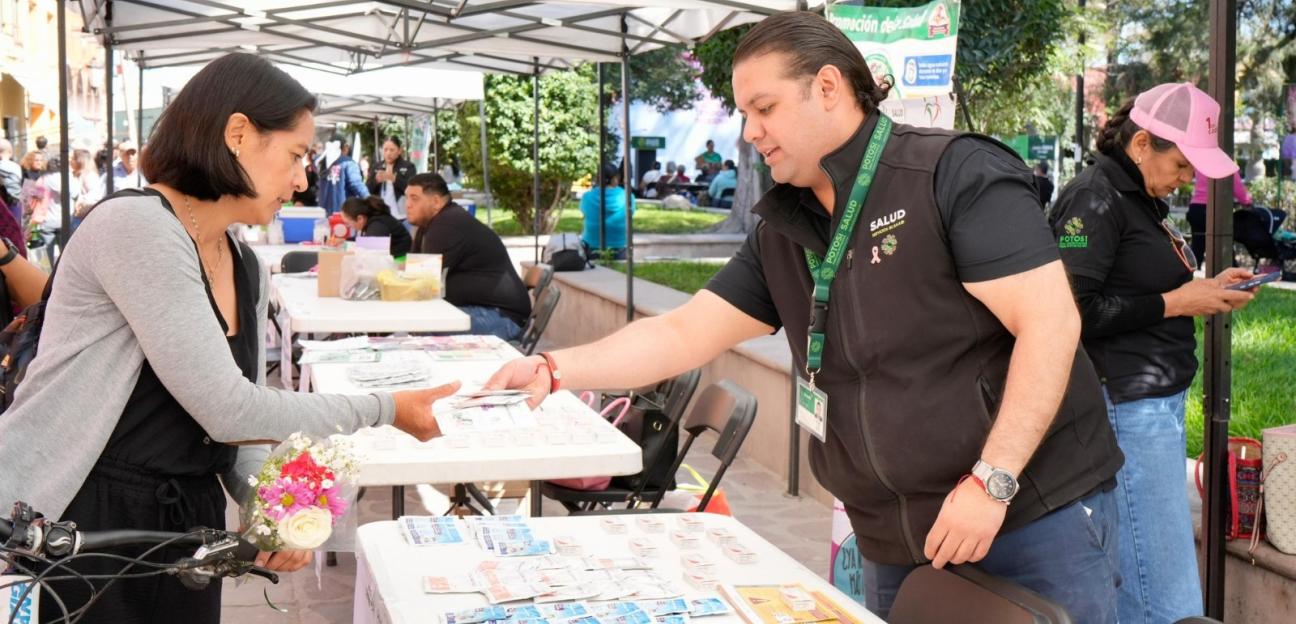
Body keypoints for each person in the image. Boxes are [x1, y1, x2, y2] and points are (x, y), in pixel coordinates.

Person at [486, 13, 1123, 622]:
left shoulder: (952, 172)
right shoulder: (783, 230)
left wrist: (993, 483)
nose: (752, 132)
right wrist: (554, 366)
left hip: (1029, 514)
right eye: (744, 114)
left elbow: (1051, 325)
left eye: (765, 108)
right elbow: (682, 331)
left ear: (828, 87)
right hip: (894, 537)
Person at [0, 53, 458, 624]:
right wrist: (387, 408)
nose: (301, 178)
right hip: (81, 520)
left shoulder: (244, 262)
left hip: (185, 520)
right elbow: (228, 409)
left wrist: (269, 508)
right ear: (238, 134)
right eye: (295, 155)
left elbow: (233, 431)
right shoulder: (137, 227)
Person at [1049, 83, 1258, 624]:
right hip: (1125, 403)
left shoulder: (1139, 198)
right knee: (1161, 584)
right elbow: (1071, 313)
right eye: (1183, 165)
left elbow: (1136, 285)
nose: (1188, 179)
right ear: (1142, 143)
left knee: (1146, 569)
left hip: (1151, 402)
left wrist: (1203, 288)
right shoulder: (1094, 198)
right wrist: (1175, 301)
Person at [406, 173, 531, 341]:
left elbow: (421, 283)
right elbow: (413, 275)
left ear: (436, 201)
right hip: (485, 310)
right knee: (421, 320)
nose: (407, 205)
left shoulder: (447, 224)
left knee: (424, 325)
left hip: (501, 317)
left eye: (415, 198)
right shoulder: (431, 225)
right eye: (406, 198)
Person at [1186, 170, 1252, 268]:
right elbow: (1238, 189)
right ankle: (1232, 271)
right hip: (1214, 208)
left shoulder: (1201, 163)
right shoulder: (1227, 165)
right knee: (1223, 244)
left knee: (1197, 245)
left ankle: (1191, 274)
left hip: (1196, 207)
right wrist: (1247, 202)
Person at [579, 163, 635, 259]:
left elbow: (585, 213)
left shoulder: (587, 197)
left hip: (591, 247)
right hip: (621, 247)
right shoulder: (628, 197)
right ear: (614, 179)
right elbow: (630, 215)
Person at [340, 195, 412, 258]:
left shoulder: (377, 226)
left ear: (360, 219)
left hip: (400, 261)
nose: (348, 226)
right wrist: (344, 242)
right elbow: (367, 241)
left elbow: (371, 252)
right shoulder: (373, 220)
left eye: (348, 223)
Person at [366, 136, 416, 223]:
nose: (388, 153)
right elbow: (367, 189)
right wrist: (376, 181)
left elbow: (412, 188)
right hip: (381, 214)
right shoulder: (377, 166)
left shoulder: (408, 166)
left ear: (399, 151)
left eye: (392, 150)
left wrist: (394, 179)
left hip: (402, 214)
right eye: (385, 150)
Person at [317, 138, 369, 215]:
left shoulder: (323, 164)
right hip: (344, 214)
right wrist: (369, 199)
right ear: (345, 147)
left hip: (323, 213)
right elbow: (356, 184)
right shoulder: (348, 163)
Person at [0, 138, 23, 214]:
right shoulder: (16, 166)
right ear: (10, 152)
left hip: (5, 204)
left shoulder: (2, 166)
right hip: (16, 203)